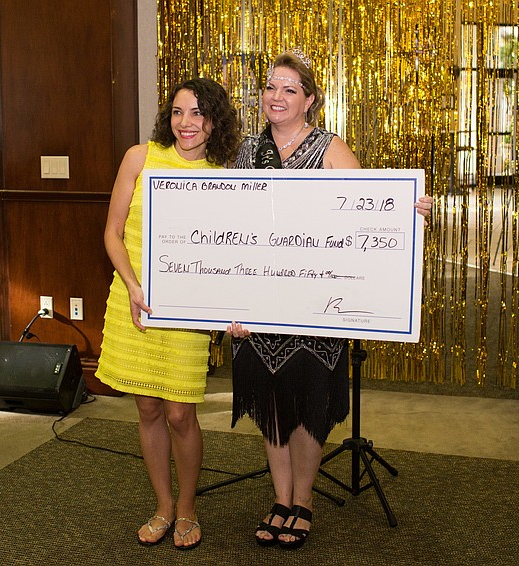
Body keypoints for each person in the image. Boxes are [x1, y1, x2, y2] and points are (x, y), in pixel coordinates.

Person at [225, 49, 433, 550]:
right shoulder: (245, 151)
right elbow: (225, 228)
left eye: (289, 89)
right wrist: (225, 304)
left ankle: (304, 501)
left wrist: (410, 212)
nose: (276, 96)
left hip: (318, 303)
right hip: (260, 303)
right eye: (271, 87)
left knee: (309, 403)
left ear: (310, 100)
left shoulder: (330, 148)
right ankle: (279, 499)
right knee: (273, 404)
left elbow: (365, 216)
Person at [95, 78, 240, 550]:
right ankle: (162, 505)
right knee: (148, 408)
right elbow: (112, 233)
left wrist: (231, 307)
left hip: (187, 311)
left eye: (197, 113)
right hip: (134, 300)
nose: (186, 123)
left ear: (214, 120)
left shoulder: (225, 172)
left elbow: (233, 250)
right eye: (178, 112)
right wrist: (134, 287)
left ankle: (187, 507)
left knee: (181, 413)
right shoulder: (140, 158)